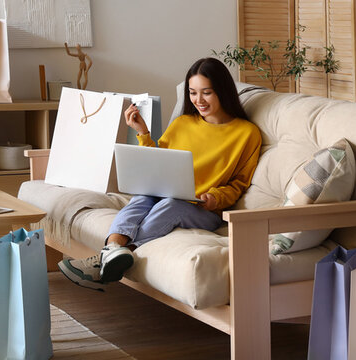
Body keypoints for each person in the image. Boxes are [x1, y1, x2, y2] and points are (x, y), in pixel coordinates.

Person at [59, 58, 262, 291]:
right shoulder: (183, 123)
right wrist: (142, 132)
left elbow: (239, 184)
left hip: (205, 210)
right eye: (193, 93)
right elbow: (158, 163)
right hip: (164, 193)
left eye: (206, 93)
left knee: (171, 205)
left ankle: (109, 259)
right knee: (141, 198)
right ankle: (112, 250)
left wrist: (215, 197)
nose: (198, 100)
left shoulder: (247, 133)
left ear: (223, 91)